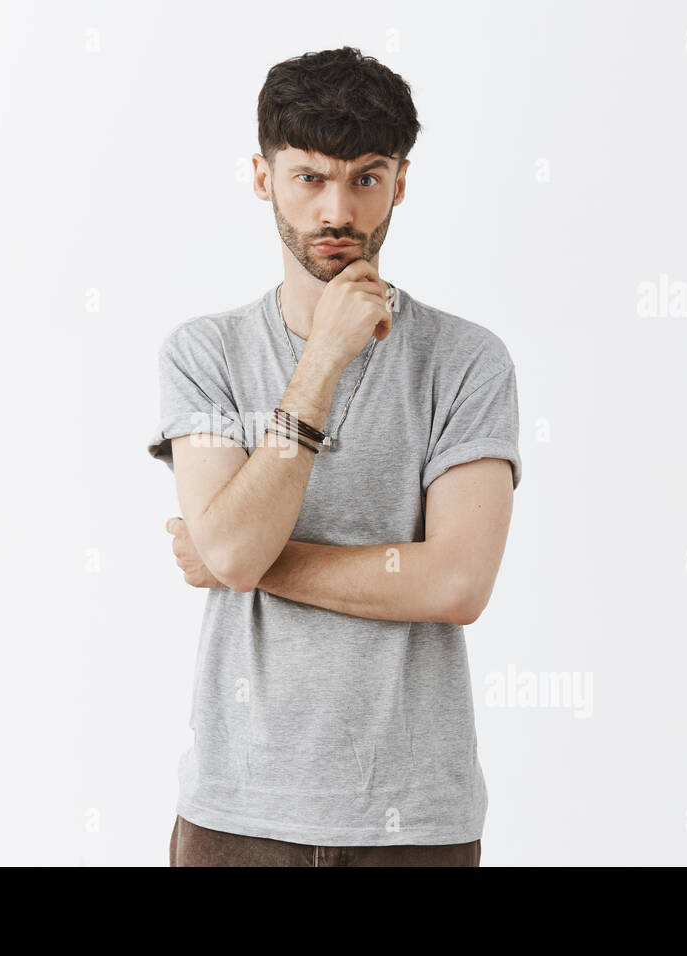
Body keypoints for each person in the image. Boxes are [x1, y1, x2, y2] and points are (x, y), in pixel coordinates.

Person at [147, 46, 521, 867]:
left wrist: (239, 559)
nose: (336, 210)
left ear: (400, 181)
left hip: (414, 820)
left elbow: (458, 583)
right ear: (262, 176)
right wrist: (321, 362)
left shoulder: (467, 361)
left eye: (364, 176)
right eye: (309, 177)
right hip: (236, 814)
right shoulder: (204, 354)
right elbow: (234, 549)